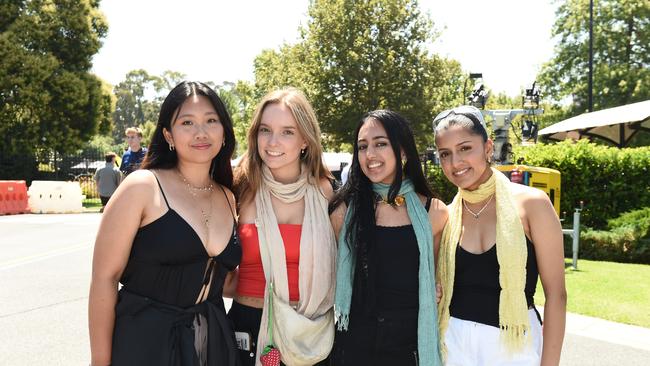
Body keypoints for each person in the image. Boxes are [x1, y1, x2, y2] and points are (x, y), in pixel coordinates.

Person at [88, 81, 241, 366]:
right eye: (187, 122)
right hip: (143, 344)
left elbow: (227, 281)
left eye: (211, 121)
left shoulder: (228, 197)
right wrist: (100, 361)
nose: (201, 132)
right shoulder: (142, 187)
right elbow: (104, 279)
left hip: (211, 345)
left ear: (224, 132)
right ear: (168, 134)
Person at [433, 105, 566, 366]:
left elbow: (557, 295)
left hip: (514, 346)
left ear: (487, 148)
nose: (455, 163)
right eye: (445, 154)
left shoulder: (532, 204)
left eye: (465, 148)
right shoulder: (446, 215)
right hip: (454, 344)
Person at [329, 110, 448, 366]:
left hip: (407, 347)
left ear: (403, 151)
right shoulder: (344, 211)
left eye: (380, 143)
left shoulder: (435, 212)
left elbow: (438, 277)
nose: (369, 154)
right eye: (363, 146)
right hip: (354, 346)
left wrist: (436, 286)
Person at [229, 88, 336, 366]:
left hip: (312, 335)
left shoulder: (328, 193)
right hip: (249, 329)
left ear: (305, 140)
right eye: (265, 130)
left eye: (287, 131)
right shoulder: (239, 187)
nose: (273, 141)